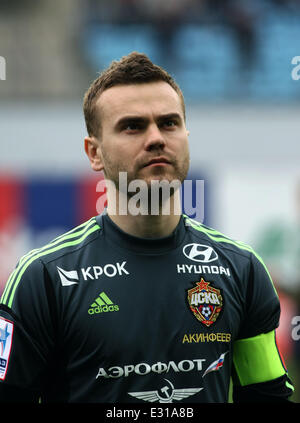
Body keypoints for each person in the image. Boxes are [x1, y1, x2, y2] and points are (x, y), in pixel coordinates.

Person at [0, 52, 294, 403]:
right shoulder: (43, 276)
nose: (156, 138)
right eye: (133, 126)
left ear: (186, 134)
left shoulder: (241, 269)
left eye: (169, 123)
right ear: (93, 152)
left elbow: (267, 396)